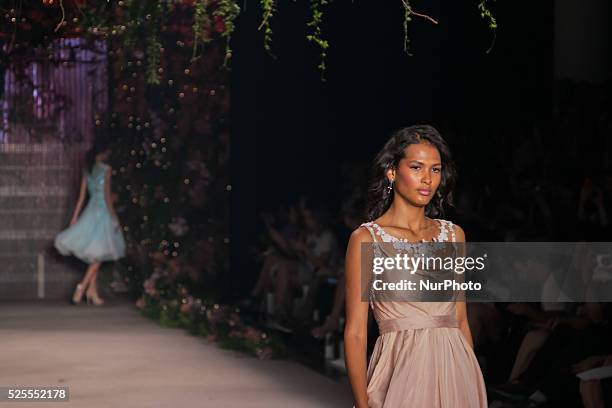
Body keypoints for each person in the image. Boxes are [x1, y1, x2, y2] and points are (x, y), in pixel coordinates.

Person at [343, 125, 487, 407]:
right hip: (400, 371)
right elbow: (356, 331)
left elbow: (459, 319)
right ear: (392, 172)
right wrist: (361, 404)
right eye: (417, 167)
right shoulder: (366, 238)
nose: (427, 179)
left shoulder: (453, 235)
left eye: (435, 170)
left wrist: (469, 380)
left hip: (455, 367)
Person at [54, 138, 126, 306]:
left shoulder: (87, 170)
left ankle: (92, 292)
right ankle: (81, 287)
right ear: (103, 153)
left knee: (96, 252)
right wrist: (115, 218)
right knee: (98, 256)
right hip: (102, 214)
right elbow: (108, 198)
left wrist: (75, 217)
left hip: (90, 212)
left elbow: (81, 198)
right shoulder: (106, 169)